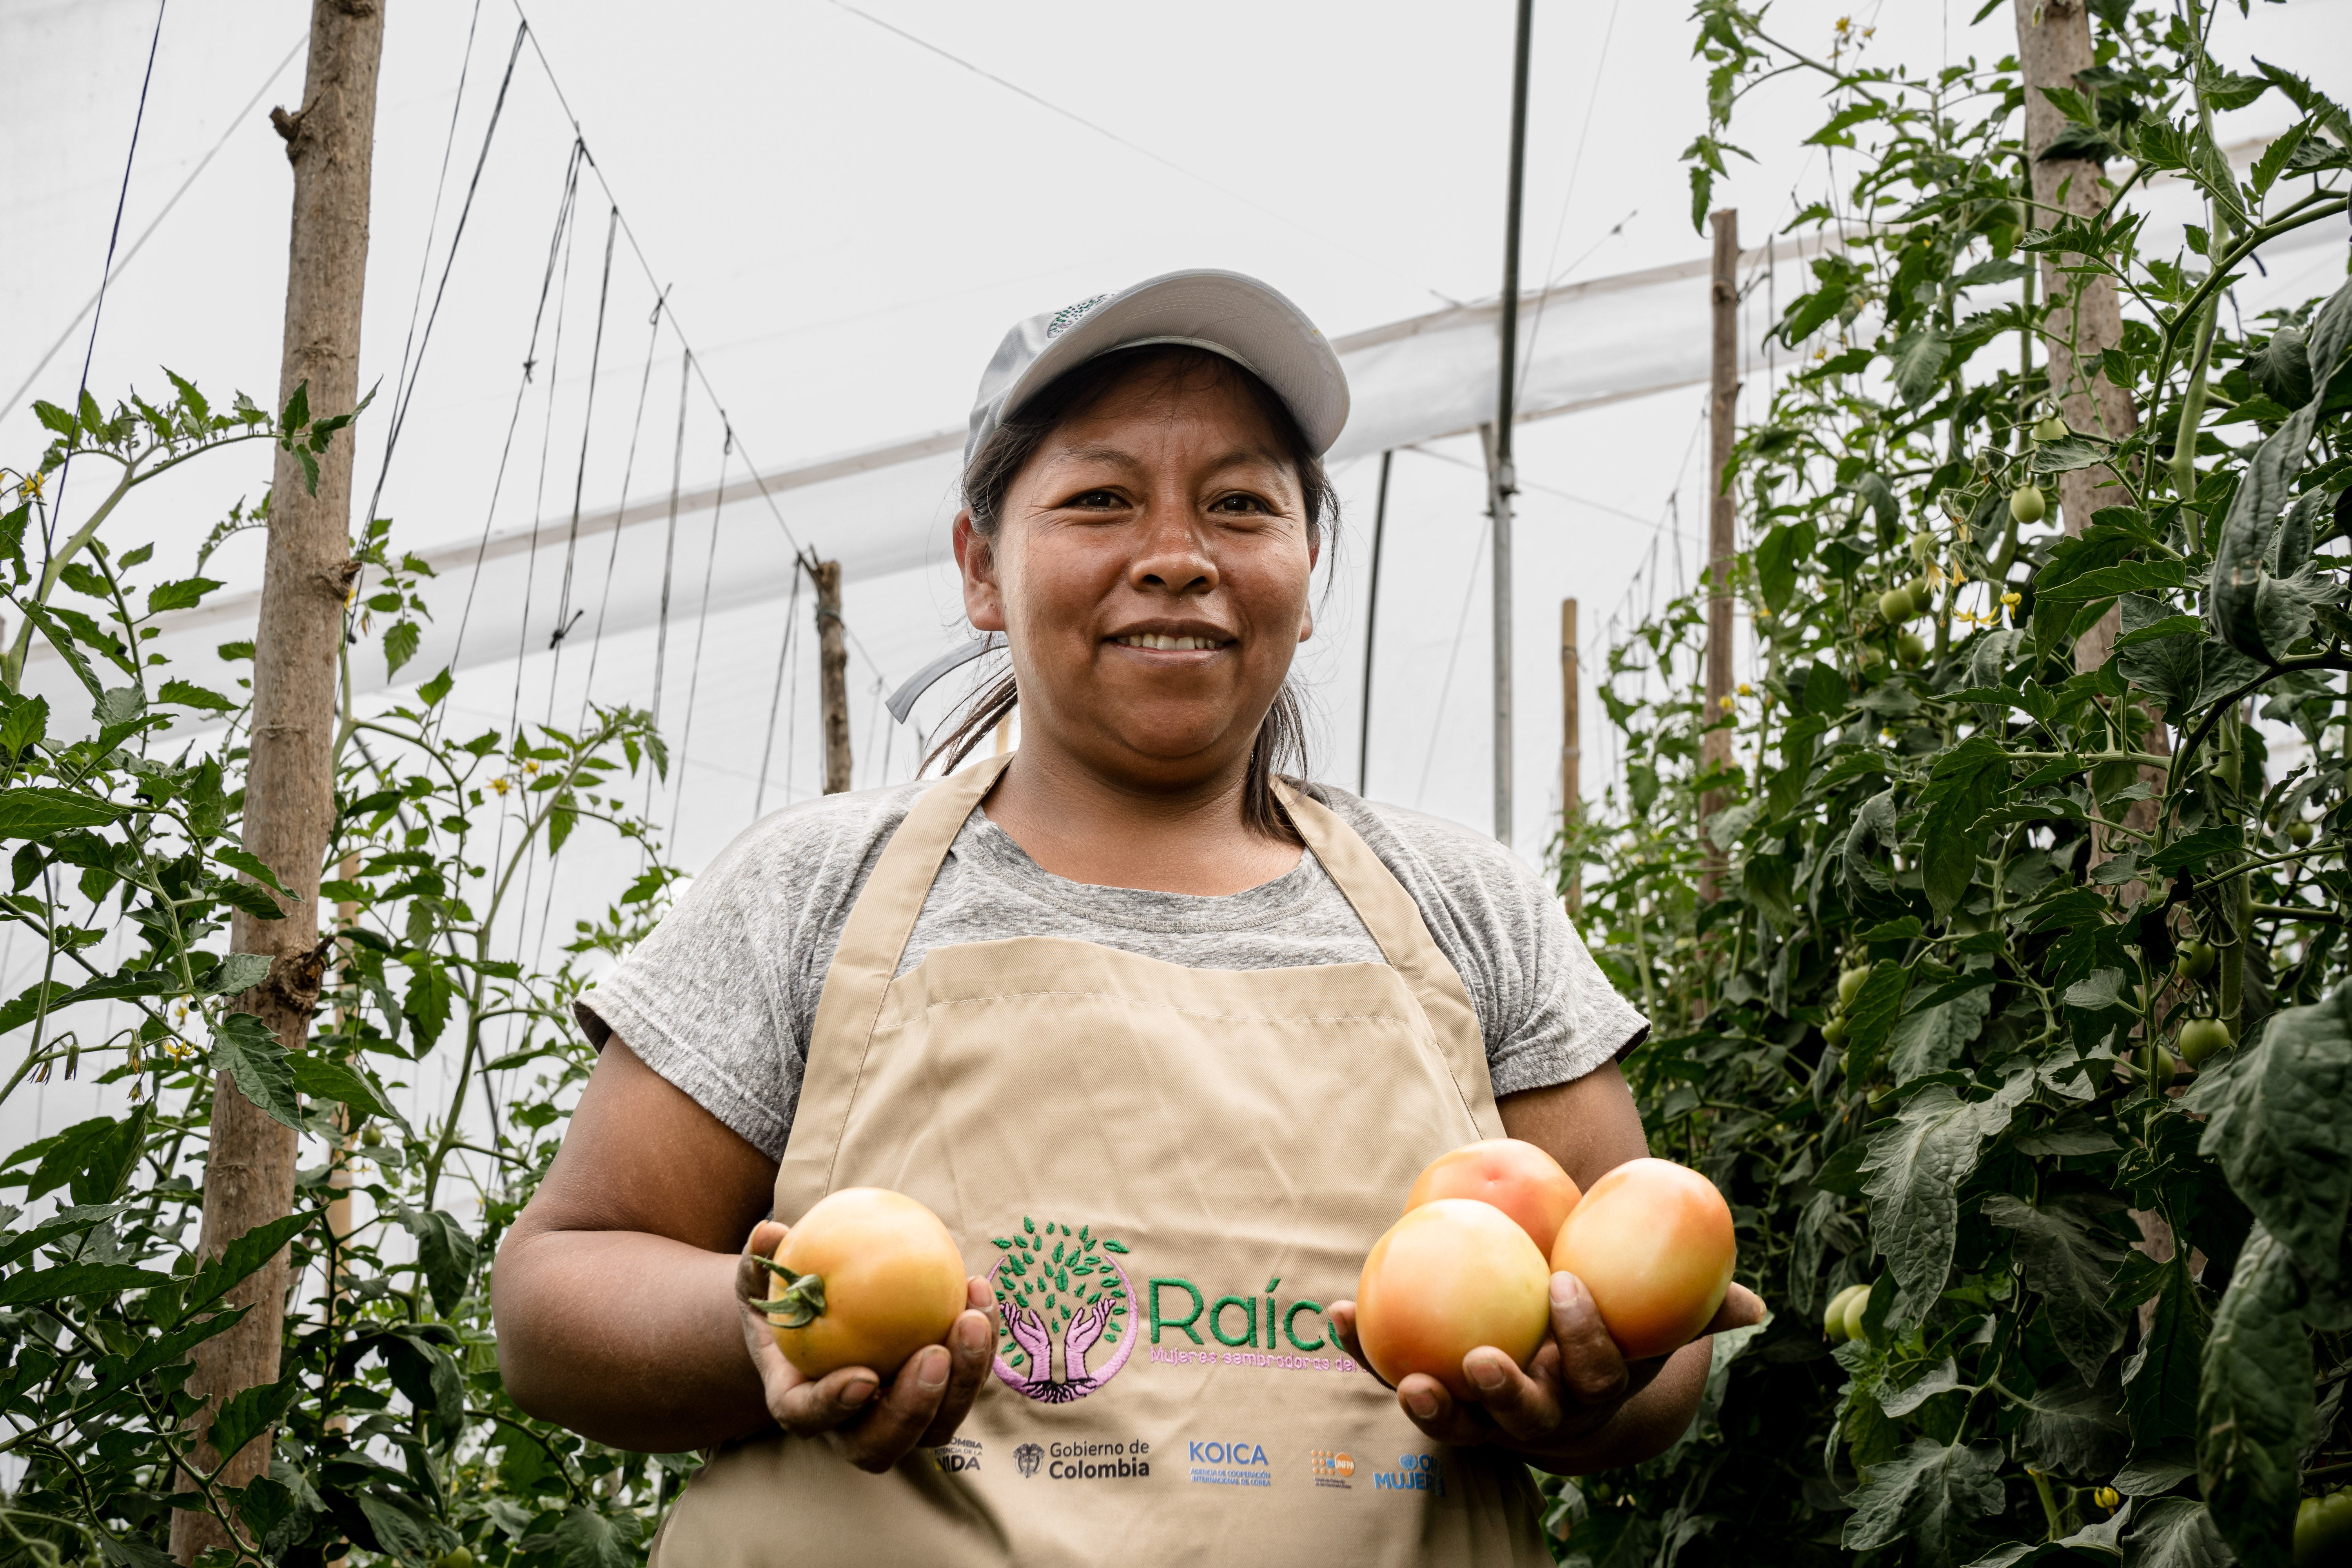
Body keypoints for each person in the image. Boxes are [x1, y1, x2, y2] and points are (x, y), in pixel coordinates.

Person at [493, 269, 1764, 1566]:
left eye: (1241, 504)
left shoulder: (1468, 907)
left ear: (1307, 572)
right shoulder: (813, 887)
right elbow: (554, 1297)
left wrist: (1597, 1389)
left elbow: (1646, 1335)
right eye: (1101, 499)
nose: (1176, 554)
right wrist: (759, 1322)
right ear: (983, 569)